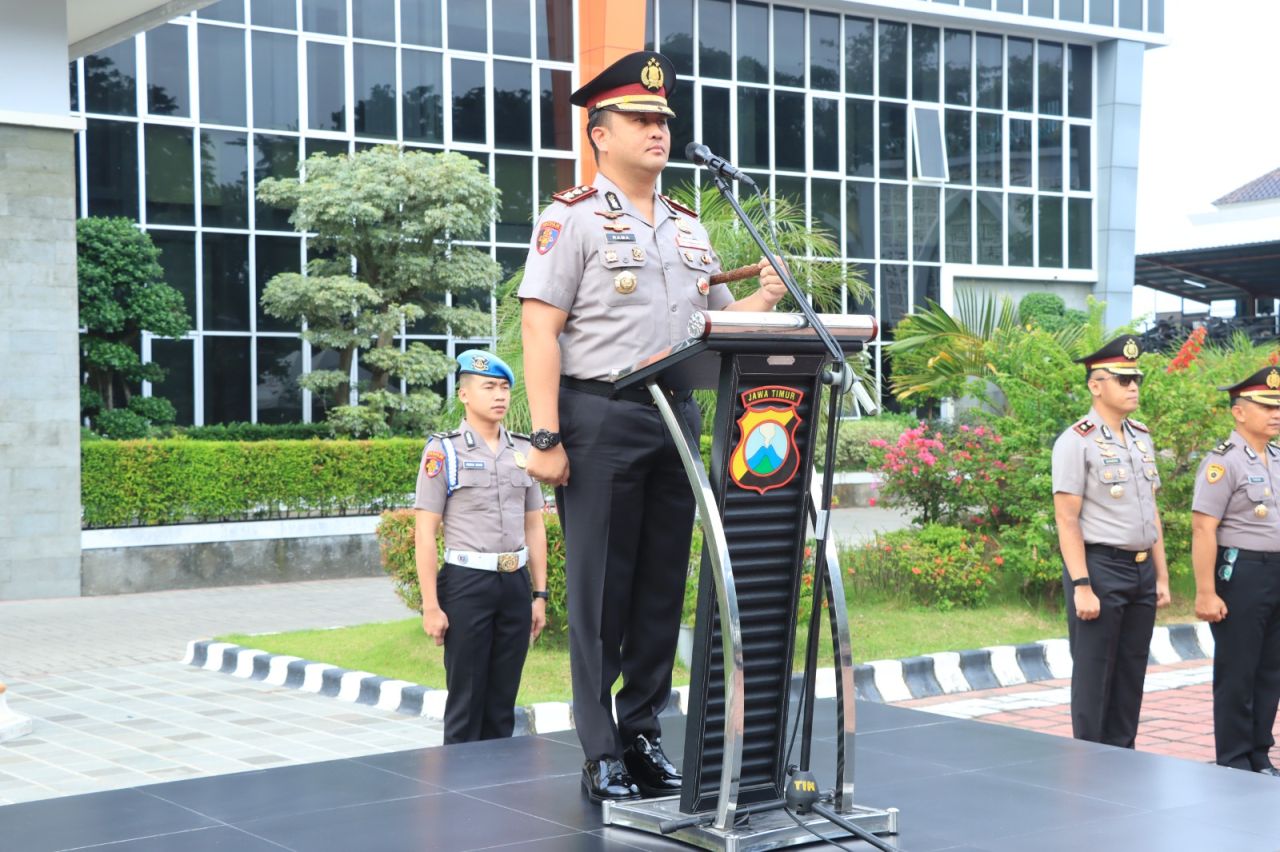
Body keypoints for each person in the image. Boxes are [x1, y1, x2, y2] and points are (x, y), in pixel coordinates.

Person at [517, 51, 787, 803]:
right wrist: (545, 438)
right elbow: (541, 330)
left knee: (662, 588)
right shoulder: (569, 217)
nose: (658, 131)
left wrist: (761, 300)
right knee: (603, 590)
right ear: (600, 134)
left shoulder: (688, 226)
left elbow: (710, 325)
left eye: (663, 119)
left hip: (679, 413)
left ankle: (641, 734)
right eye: (640, 119)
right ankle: (598, 748)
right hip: (601, 413)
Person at [414, 349, 548, 745]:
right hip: (466, 584)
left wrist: (539, 595)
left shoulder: (523, 451)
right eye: (489, 387)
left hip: (514, 584)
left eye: (505, 387)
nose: (500, 396)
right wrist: (431, 605)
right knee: (466, 700)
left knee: (503, 699)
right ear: (464, 395)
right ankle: (458, 793)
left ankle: (496, 791)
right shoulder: (444, 451)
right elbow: (425, 532)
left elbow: (534, 524)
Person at [1052, 335, 1171, 747]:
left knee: (1131, 668)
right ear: (1095, 385)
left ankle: (1123, 754)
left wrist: (1162, 576)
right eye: (1122, 379)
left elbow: (1150, 511)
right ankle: (1090, 760)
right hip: (1099, 567)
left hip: (1140, 569)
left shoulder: (1141, 437)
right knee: (1094, 670)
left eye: (1136, 378)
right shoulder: (1076, 440)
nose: (1133, 386)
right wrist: (1082, 585)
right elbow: (1067, 520)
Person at [1191, 365, 1280, 775]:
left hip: (1276, 571)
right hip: (1242, 572)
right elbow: (1203, 528)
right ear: (1239, 412)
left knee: (1270, 668)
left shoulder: (1277, 457)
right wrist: (1206, 591)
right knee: (1238, 668)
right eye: (1265, 406)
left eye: (1278, 405)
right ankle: (1233, 757)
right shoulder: (1222, 463)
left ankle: (1259, 752)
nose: (1275, 413)